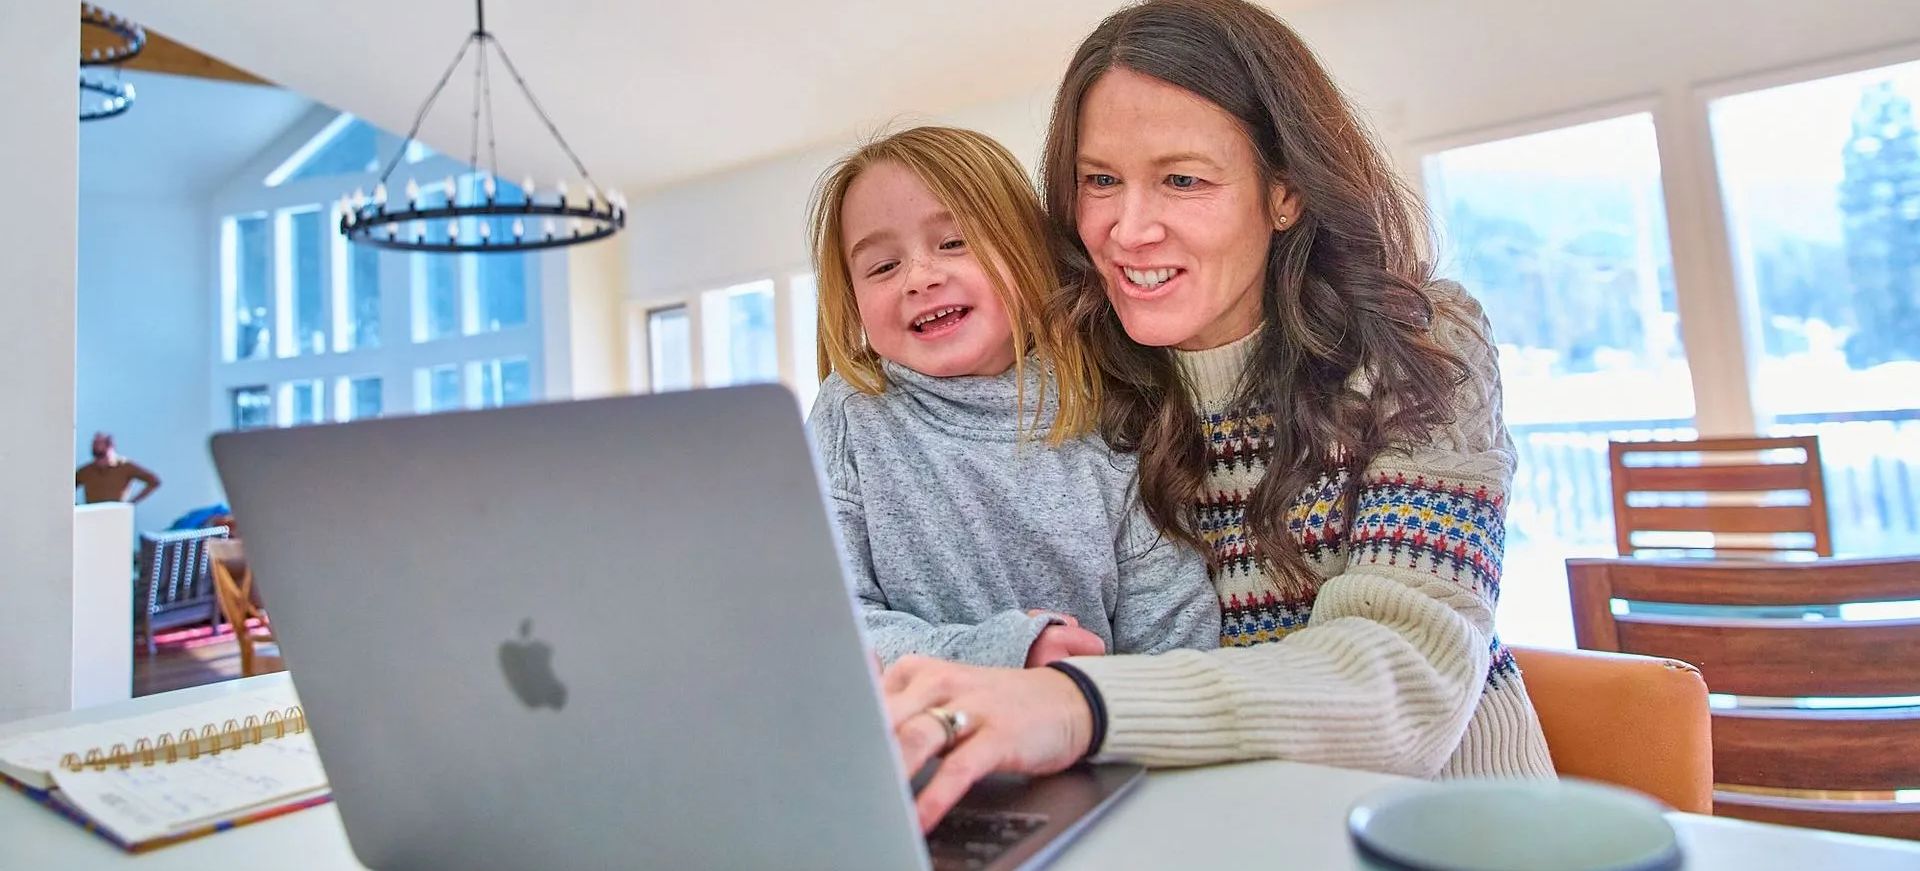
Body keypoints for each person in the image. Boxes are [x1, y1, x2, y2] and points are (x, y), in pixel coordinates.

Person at [878, 0, 1556, 831]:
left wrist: (1081, 704)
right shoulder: (1071, 379)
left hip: (1449, 822)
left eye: (1183, 179)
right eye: (1099, 180)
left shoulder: (1421, 344)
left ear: (1286, 193)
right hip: (1195, 826)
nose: (1127, 229)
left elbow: (1404, 683)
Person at [807, 126, 1219, 670]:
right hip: (910, 740)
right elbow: (824, 622)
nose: (920, 278)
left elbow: (1176, 634)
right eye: (882, 266)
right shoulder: (849, 413)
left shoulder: (1107, 412)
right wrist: (999, 654)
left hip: (1088, 736)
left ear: (1025, 249)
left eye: (955, 242)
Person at [75, 431, 161, 505]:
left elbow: (154, 481)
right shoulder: (85, 471)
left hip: (117, 514)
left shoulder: (124, 466)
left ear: (110, 447)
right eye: (94, 444)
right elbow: (66, 488)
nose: (95, 447)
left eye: (99, 444)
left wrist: (131, 503)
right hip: (92, 514)